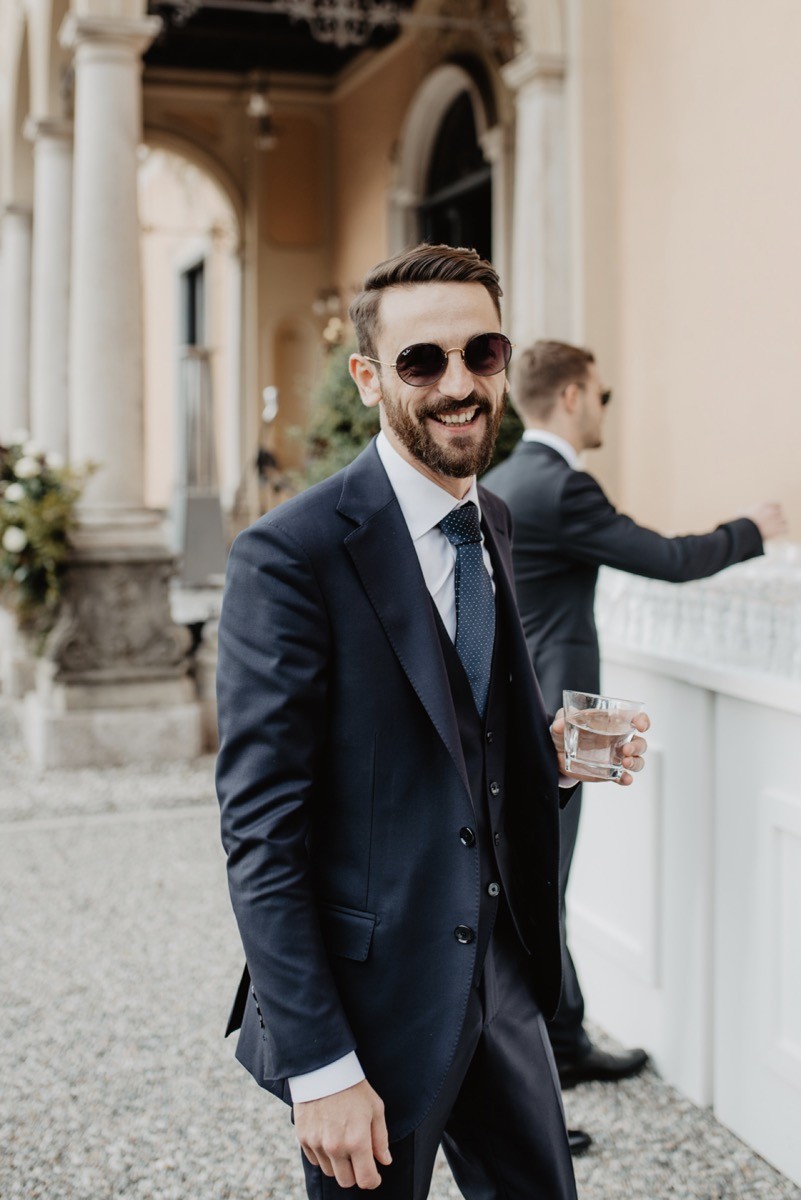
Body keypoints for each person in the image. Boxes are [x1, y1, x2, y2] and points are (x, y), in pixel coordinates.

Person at [215, 247, 649, 1200]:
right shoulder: (288, 556)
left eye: (481, 352)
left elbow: (467, 736)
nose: (459, 385)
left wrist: (557, 755)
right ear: (369, 376)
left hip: (501, 980)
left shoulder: (489, 515)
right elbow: (260, 833)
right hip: (368, 1015)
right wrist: (320, 1067)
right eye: (422, 362)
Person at [483, 339, 787, 1090]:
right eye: (603, 394)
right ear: (574, 396)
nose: (605, 409)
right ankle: (536, 1068)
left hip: (522, 710)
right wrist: (754, 527)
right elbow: (668, 558)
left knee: (539, 885)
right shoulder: (559, 487)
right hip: (562, 722)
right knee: (540, 890)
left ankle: (563, 1039)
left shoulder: (503, 479)